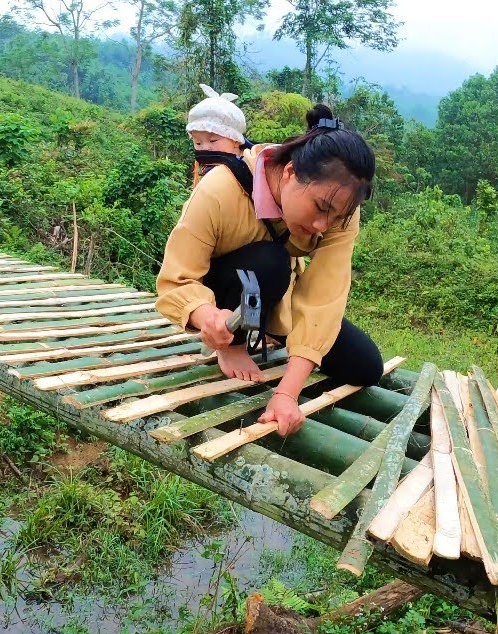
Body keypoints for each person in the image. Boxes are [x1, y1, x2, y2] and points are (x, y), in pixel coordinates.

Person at [155, 104, 383, 437]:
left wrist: (286, 393)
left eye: (336, 217)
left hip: (277, 294)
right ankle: (234, 344)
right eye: (321, 208)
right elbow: (178, 277)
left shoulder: (342, 210)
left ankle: (270, 329)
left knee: (365, 366)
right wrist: (208, 318)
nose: (324, 224)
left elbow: (324, 296)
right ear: (289, 173)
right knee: (270, 260)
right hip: (225, 295)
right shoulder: (220, 188)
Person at [186, 84, 249, 186]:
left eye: (213, 141)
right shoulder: (207, 167)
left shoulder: (244, 170)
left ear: (236, 140)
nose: (205, 148)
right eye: (198, 143)